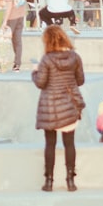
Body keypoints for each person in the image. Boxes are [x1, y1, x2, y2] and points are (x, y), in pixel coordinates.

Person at [32, 25, 84, 192]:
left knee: (50, 145)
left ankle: (49, 182)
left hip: (51, 107)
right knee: (70, 144)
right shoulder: (75, 58)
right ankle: (70, 181)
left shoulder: (47, 59)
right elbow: (80, 80)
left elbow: (41, 82)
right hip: (69, 105)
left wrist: (34, 72)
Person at [0, 0, 39, 72]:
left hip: (11, 17)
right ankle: (17, 64)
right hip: (21, 16)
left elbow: (9, 6)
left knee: (4, 39)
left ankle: (2, 63)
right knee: (17, 40)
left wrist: (5, 21)